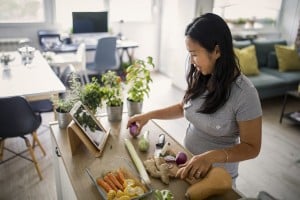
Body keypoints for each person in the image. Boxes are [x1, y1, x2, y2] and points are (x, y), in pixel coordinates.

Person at [127, 13, 262, 185]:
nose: (192, 62)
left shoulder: (245, 93)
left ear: (217, 51)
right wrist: (148, 116)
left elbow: (252, 147)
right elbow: (183, 107)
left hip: (216, 180)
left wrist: (211, 156)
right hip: (185, 168)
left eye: (195, 54)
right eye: (189, 54)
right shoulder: (203, 76)